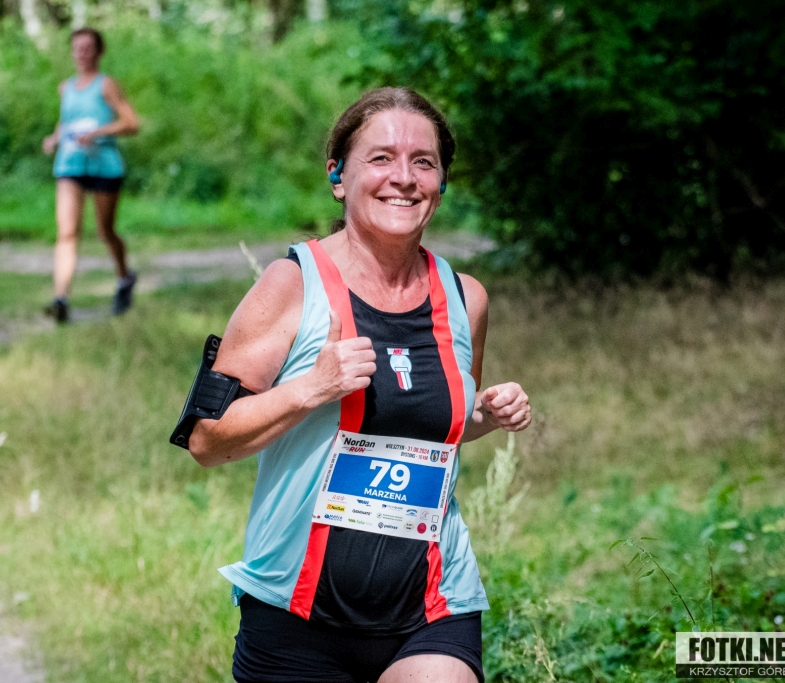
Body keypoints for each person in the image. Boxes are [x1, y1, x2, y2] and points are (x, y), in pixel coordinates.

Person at [187, 87, 532, 683]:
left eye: (423, 162)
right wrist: (310, 388)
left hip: (434, 605)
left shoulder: (465, 298)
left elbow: (432, 425)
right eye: (381, 158)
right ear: (338, 177)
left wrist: (485, 413)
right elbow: (206, 440)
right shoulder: (289, 285)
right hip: (294, 613)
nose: (404, 178)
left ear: (442, 182)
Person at [41, 27, 140, 323]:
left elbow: (131, 123)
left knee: (105, 231)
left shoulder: (106, 85)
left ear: (99, 51)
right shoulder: (66, 88)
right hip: (70, 165)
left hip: (104, 165)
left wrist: (98, 132)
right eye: (77, 48)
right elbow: (66, 122)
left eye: (87, 48)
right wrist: (54, 138)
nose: (82, 54)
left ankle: (124, 278)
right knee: (67, 232)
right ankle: (61, 299)